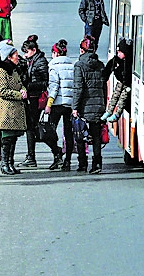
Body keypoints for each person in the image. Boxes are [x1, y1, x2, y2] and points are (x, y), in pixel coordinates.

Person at [0, 41, 29, 175]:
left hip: (15, 111)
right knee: (6, 140)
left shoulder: (14, 71)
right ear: (8, 56)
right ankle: (4, 164)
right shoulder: (1, 72)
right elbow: (1, 91)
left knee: (13, 139)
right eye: (15, 55)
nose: (17, 57)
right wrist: (19, 94)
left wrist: (23, 90)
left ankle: (11, 163)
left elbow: (20, 85)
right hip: (5, 112)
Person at [73, 36, 107, 174]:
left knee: (81, 135)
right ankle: (97, 164)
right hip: (98, 104)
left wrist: (75, 107)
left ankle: (82, 164)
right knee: (96, 136)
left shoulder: (79, 66)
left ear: (82, 50)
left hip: (84, 106)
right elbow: (104, 86)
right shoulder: (100, 65)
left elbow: (78, 88)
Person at [45, 39, 79, 171]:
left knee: (48, 131)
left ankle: (57, 154)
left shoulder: (53, 68)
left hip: (57, 105)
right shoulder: (72, 66)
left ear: (55, 53)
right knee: (68, 134)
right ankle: (68, 161)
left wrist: (49, 104)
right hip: (70, 105)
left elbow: (53, 88)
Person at [19, 35, 50, 167]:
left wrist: (28, 86)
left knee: (32, 127)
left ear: (34, 50)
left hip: (36, 98)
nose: (25, 55)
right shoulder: (32, 61)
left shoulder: (40, 62)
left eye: (27, 52)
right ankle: (31, 155)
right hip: (31, 98)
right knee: (32, 127)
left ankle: (32, 156)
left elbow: (45, 81)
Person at [101, 39, 134, 123]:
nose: (118, 54)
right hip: (120, 82)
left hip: (127, 85)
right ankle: (108, 111)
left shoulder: (130, 61)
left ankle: (116, 114)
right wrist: (104, 77)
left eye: (120, 52)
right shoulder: (116, 60)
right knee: (115, 96)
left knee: (122, 99)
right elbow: (108, 68)